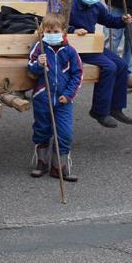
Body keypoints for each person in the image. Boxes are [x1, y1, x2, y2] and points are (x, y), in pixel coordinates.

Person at [68, 0, 132, 128]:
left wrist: (122, 21)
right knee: (109, 67)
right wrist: (73, 29)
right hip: (75, 46)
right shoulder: (70, 5)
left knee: (122, 65)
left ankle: (115, 107)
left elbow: (108, 20)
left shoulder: (97, 6)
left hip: (91, 44)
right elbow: (59, 25)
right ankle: (99, 111)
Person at [26, 13, 82, 182]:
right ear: (43, 31)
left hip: (64, 100)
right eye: (48, 31)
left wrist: (68, 94)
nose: (52, 34)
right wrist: (38, 64)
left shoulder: (70, 51)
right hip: (43, 97)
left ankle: (60, 166)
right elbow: (30, 69)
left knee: (65, 133)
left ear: (63, 32)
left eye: (55, 31)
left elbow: (77, 74)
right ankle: (41, 162)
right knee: (42, 129)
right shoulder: (39, 48)